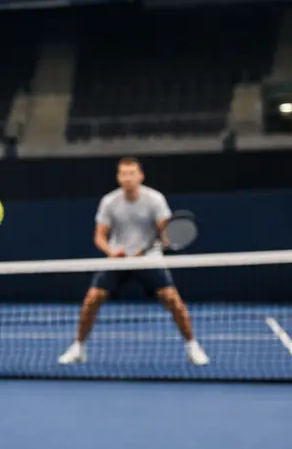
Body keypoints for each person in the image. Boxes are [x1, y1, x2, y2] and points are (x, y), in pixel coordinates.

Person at [58, 157, 209, 367]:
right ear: (119, 178)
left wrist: (149, 249)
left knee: (172, 300)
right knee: (92, 299)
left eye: (132, 173)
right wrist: (111, 251)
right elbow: (99, 236)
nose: (128, 178)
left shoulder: (154, 199)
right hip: (119, 260)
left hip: (149, 258)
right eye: (124, 174)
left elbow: (166, 234)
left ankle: (193, 346)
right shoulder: (109, 202)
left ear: (140, 176)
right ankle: (78, 347)